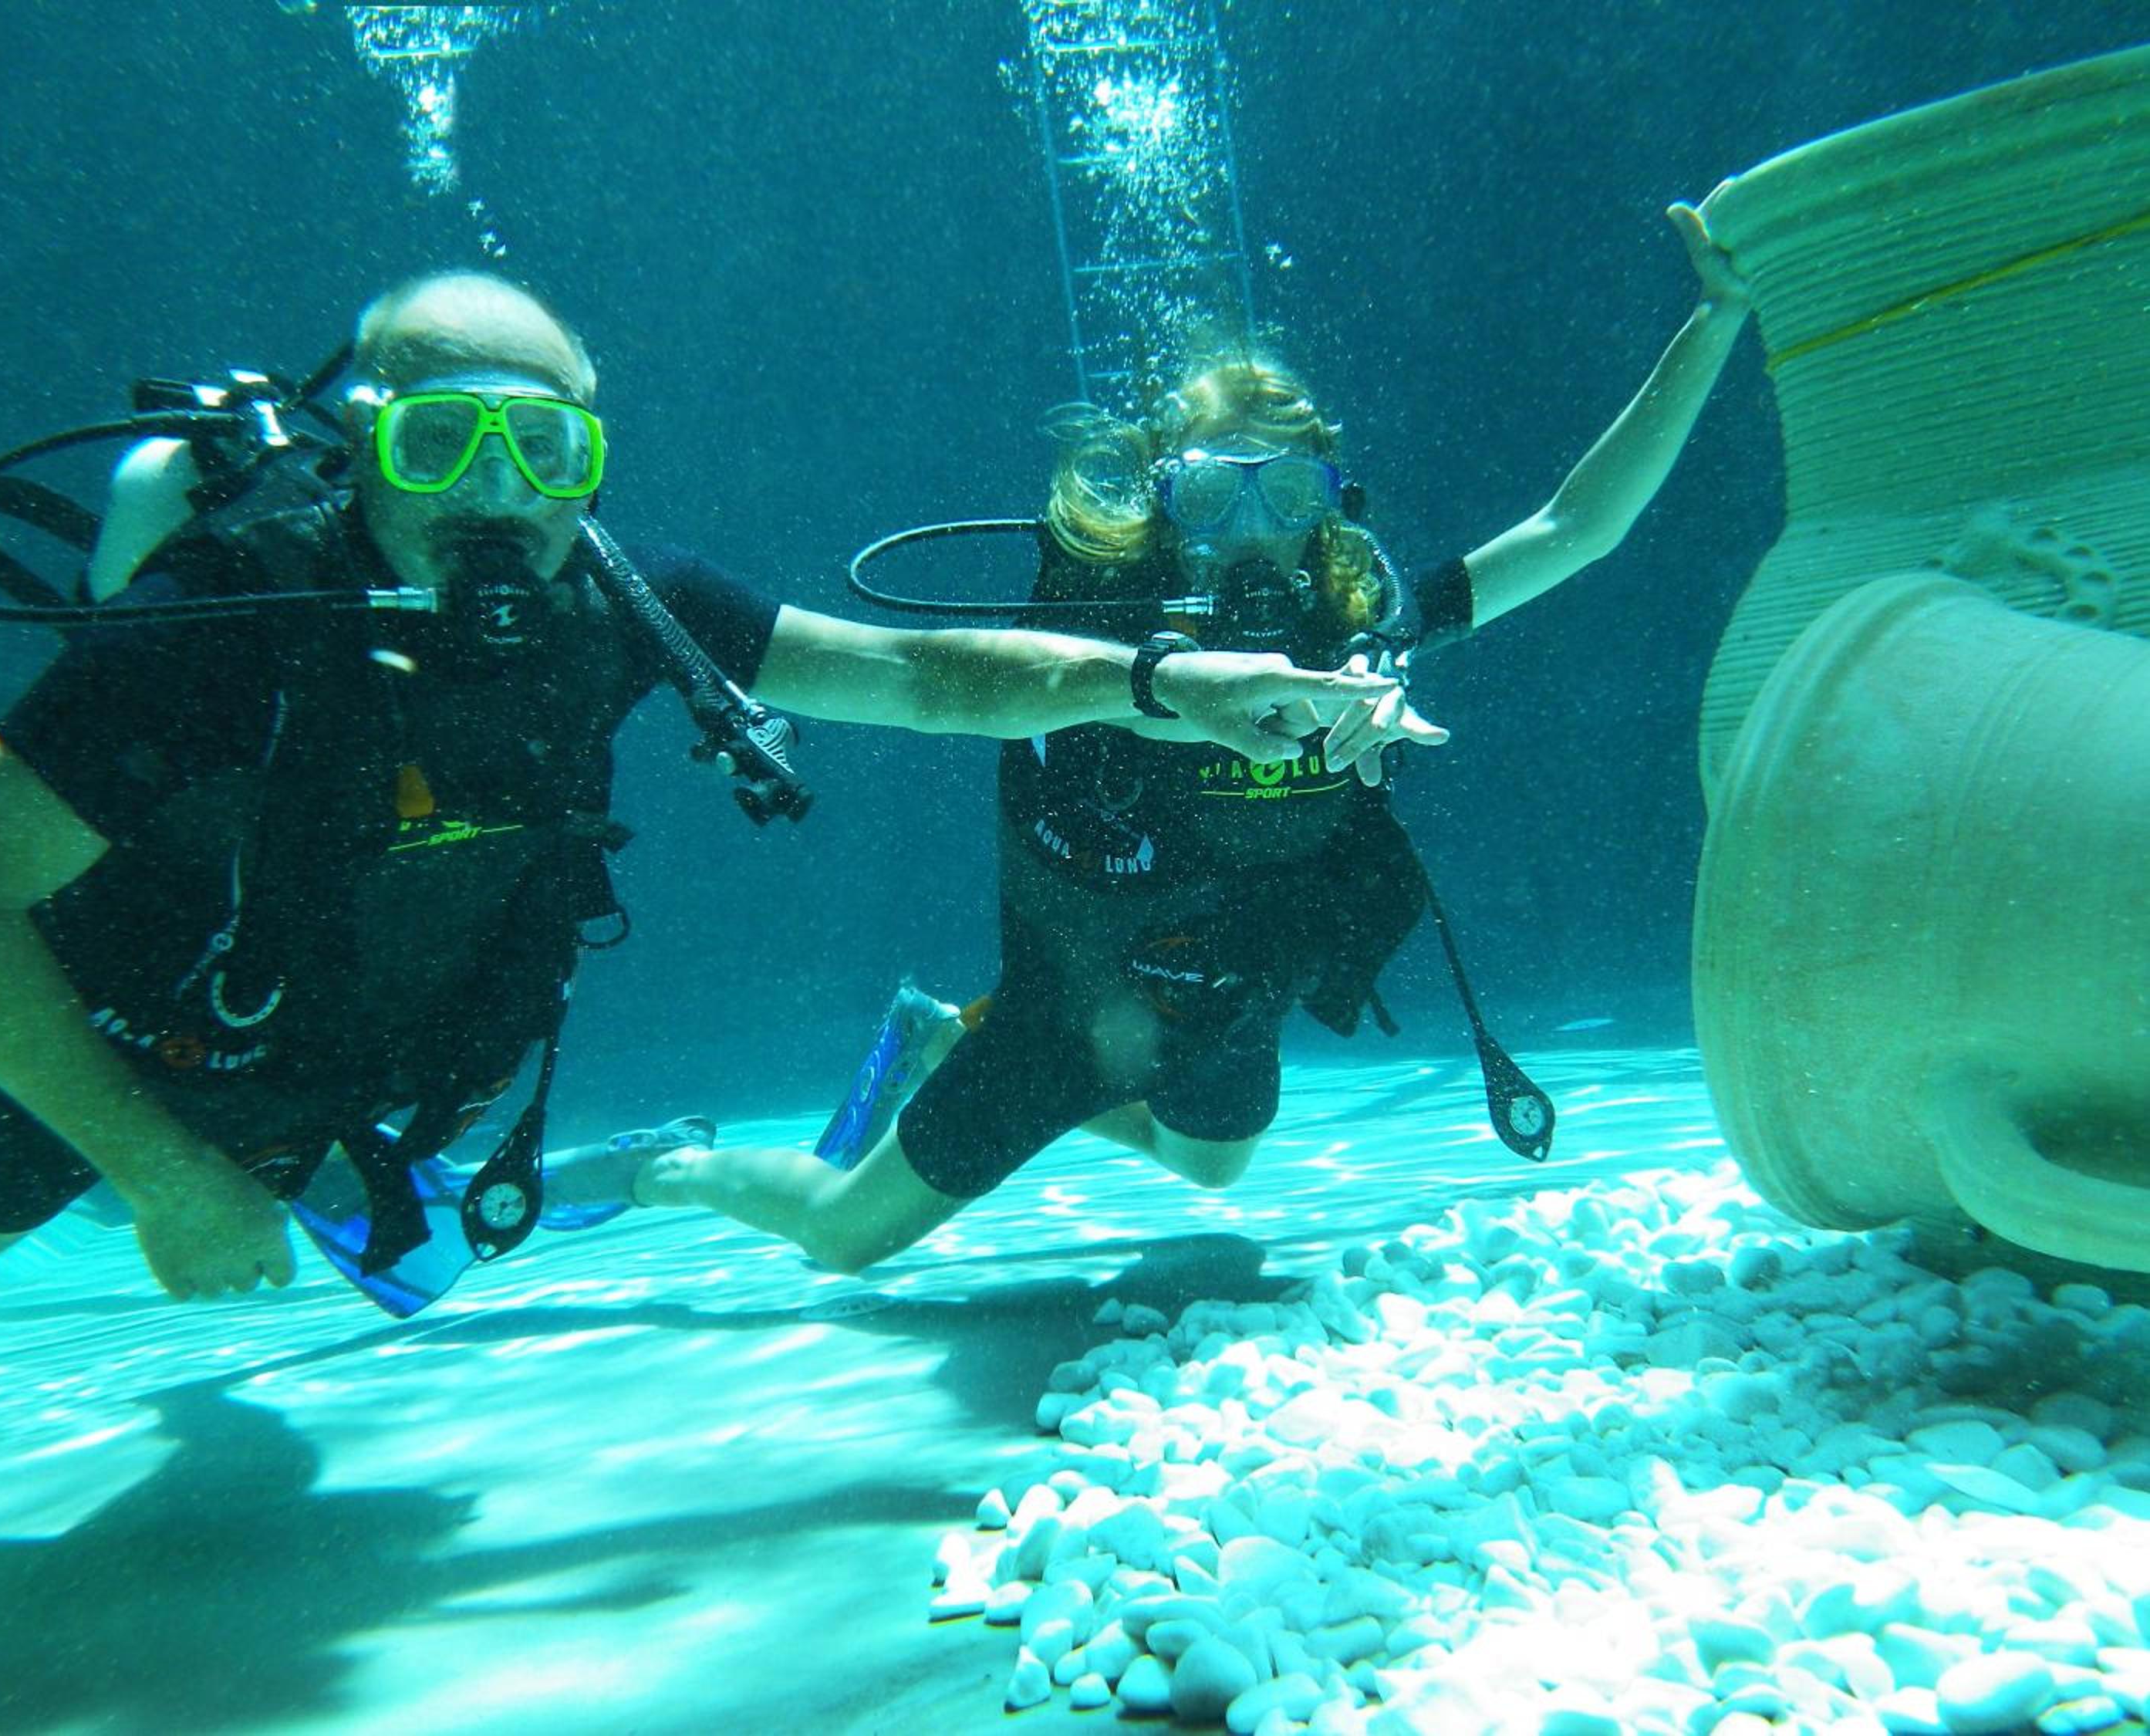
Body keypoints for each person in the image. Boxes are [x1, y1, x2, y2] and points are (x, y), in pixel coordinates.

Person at [0, 269, 1419, 1304]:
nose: (499, 501)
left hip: (350, 1045)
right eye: (444, 446)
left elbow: (921, 674)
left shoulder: (622, 602)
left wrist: (1174, 686)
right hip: (134, 1027)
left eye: (547, 453)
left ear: (592, 460)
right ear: (365, 447)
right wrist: (161, 1176)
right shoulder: (219, 626)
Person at [626, 203, 1753, 1272]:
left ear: (1332, 506)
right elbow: (957, 682)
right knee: (842, 1237)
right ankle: (672, 1169)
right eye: (1213, 497)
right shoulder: (1092, 633)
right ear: (1160, 501)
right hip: (1065, 1006)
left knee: (1213, 1166)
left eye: (1289, 495)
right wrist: (1164, 688)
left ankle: (936, 1036)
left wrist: (1714, 321)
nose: (1252, 533)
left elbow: (1574, 527)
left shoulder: (1363, 636)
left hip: (1225, 995)